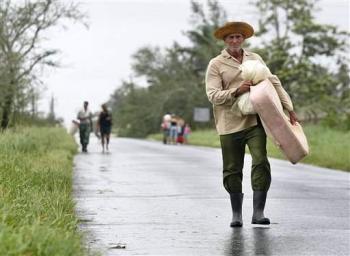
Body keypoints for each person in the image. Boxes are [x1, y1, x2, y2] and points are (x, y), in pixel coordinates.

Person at [205, 21, 298, 227]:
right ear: (225, 40)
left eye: (238, 36)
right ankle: (236, 214)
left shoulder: (255, 58)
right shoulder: (216, 64)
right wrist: (237, 91)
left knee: (260, 161)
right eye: (231, 37)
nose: (235, 40)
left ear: (243, 39)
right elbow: (212, 95)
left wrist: (289, 108)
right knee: (232, 168)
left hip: (256, 121)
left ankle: (258, 212)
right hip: (229, 123)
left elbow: (274, 82)